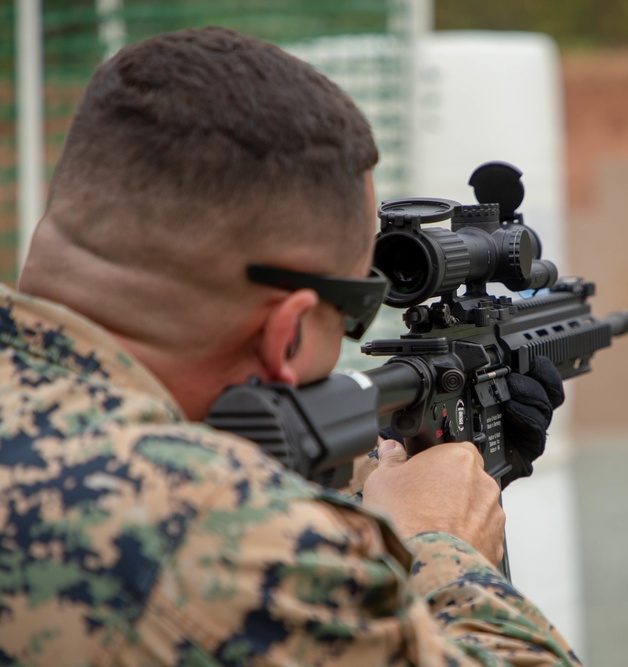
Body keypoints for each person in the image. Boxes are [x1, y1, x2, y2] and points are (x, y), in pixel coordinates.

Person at [0, 27, 579, 666]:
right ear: (289, 330)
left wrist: (385, 475)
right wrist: (441, 544)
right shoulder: (214, 537)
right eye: (357, 308)